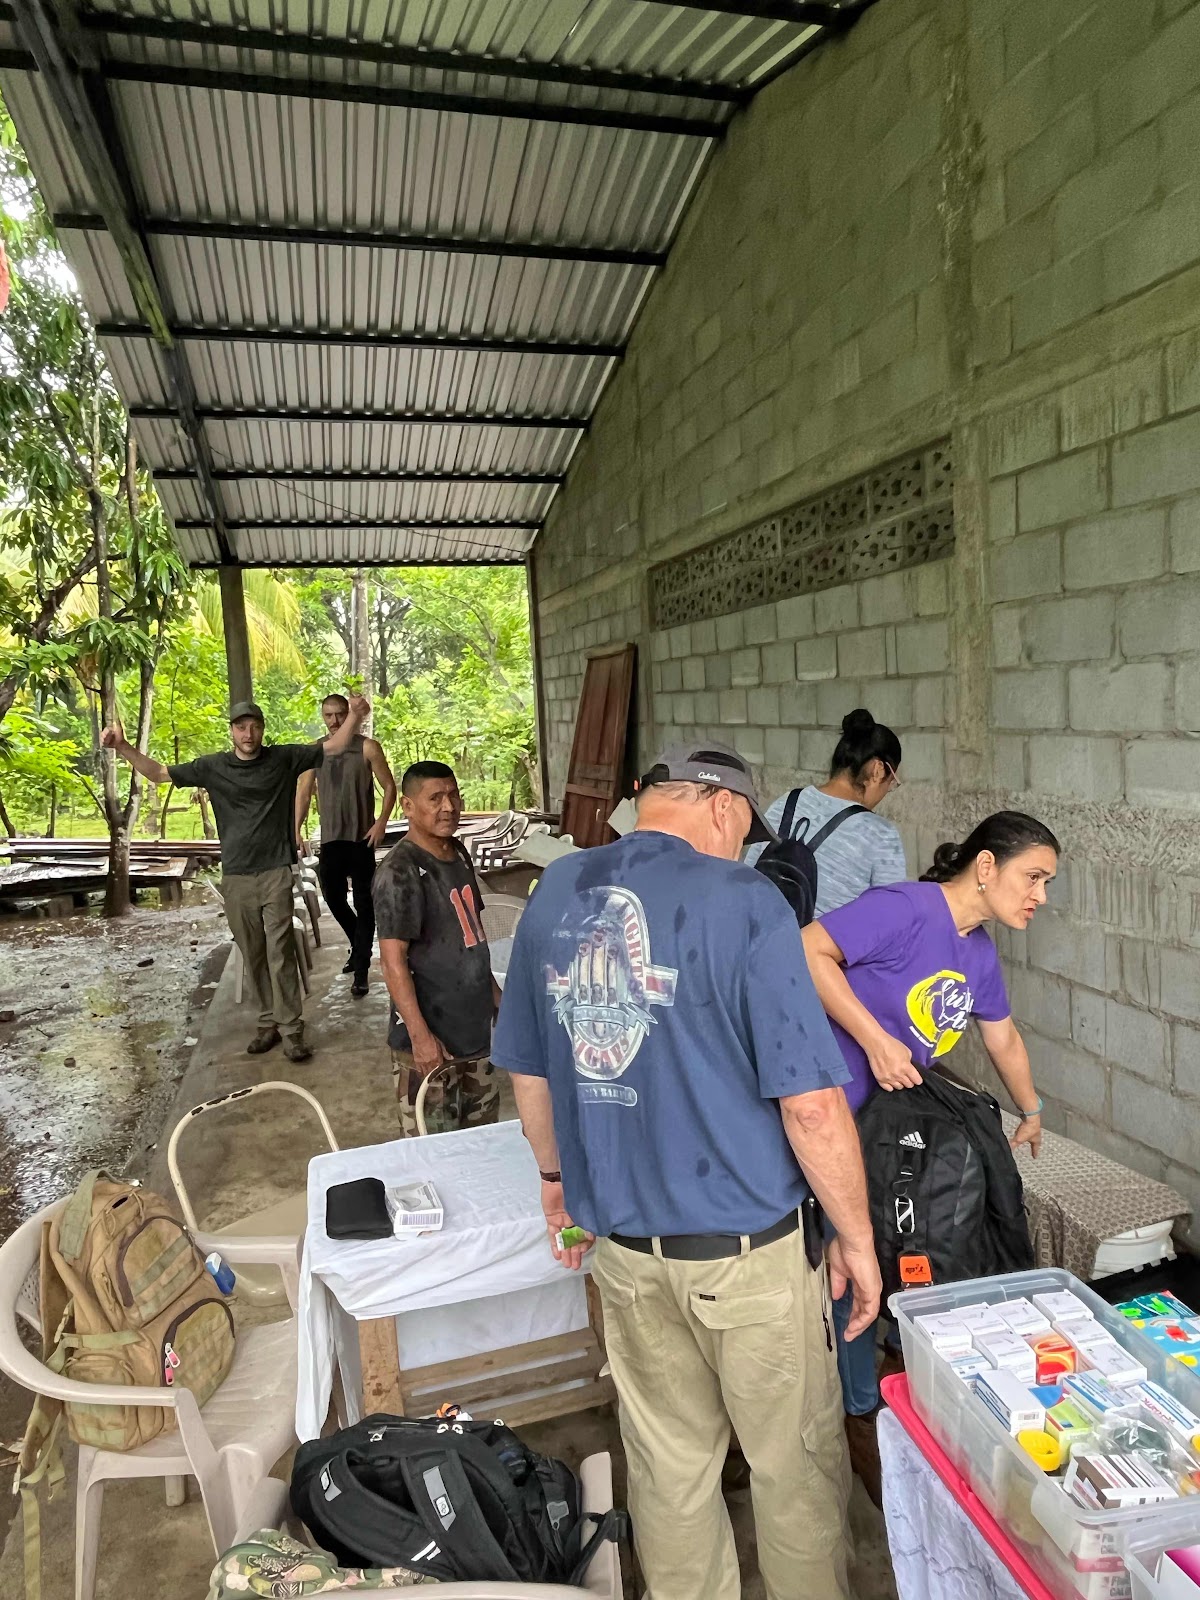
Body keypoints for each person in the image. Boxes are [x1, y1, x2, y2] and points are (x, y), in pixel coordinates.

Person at [492, 741, 881, 1600]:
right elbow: (812, 1107)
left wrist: (556, 1184)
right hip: (749, 1260)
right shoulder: (744, 899)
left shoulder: (557, 890)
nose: (739, 846)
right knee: (794, 1468)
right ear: (723, 807)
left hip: (626, 1257)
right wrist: (856, 1238)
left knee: (668, 1469)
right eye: (742, 830)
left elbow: (531, 1070)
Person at [801, 810, 1057, 1484]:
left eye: (1047, 883)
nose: (1040, 896)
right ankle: (855, 1414)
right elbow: (807, 951)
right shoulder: (906, 909)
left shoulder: (978, 951)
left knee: (886, 1245)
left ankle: (885, 1386)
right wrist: (876, 1039)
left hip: (889, 1130)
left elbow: (1001, 1036)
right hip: (831, 1116)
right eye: (1033, 877)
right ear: (986, 866)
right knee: (845, 1254)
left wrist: (1031, 1111)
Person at [101, 695, 370, 1060]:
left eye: (255, 726)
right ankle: (268, 1022)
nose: (248, 734)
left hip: (275, 871)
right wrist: (122, 747)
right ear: (231, 731)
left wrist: (355, 715)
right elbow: (159, 773)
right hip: (237, 876)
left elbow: (335, 746)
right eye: (241, 727)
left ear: (263, 729)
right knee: (253, 953)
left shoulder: (283, 758)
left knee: (280, 951)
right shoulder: (213, 767)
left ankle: (292, 1030)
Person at [373, 761, 501, 1137]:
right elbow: (392, 962)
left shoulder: (458, 853)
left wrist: (497, 999)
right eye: (435, 798)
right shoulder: (399, 871)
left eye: (453, 795)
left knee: (482, 1143)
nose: (449, 806)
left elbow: (471, 938)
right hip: (433, 1044)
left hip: (474, 1035)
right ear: (408, 807)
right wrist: (420, 1038)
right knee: (434, 1151)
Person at [746, 707, 906, 904]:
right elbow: (892, 915)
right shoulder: (881, 835)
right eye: (891, 782)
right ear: (878, 770)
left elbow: (749, 876)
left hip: (766, 923)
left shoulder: (785, 803)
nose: (886, 791)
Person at [295, 693, 396, 998]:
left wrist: (381, 823)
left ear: (351, 714)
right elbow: (303, 792)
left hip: (361, 838)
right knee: (333, 897)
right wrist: (295, 829)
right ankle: (359, 945)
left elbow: (389, 786)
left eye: (340, 713)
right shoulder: (316, 751)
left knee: (365, 904)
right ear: (322, 717)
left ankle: (361, 971)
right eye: (329, 715)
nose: (335, 720)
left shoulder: (367, 747)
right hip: (331, 838)